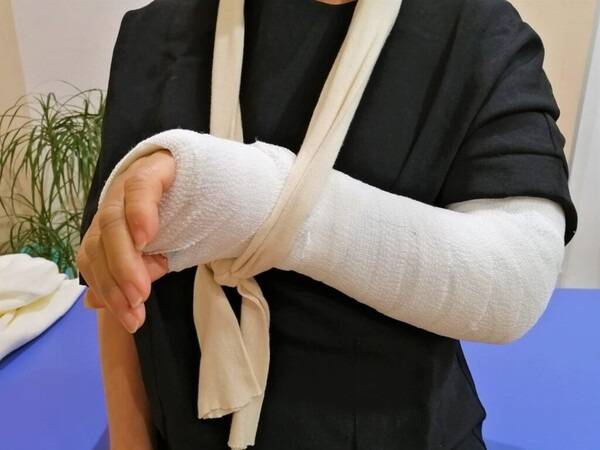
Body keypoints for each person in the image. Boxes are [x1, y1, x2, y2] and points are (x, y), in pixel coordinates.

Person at [78, 0, 578, 449]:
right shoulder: (158, 32)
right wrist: (129, 439)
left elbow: (512, 280)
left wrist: (256, 199)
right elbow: (117, 278)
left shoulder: (477, 33)